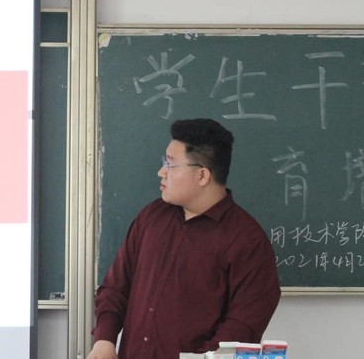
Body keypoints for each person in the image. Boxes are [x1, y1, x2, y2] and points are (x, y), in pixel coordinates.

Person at [87, 118, 281, 359]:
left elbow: (242, 328)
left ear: (202, 175)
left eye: (170, 164)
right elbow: (116, 287)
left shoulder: (248, 241)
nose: (161, 172)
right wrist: (104, 340)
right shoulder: (152, 216)